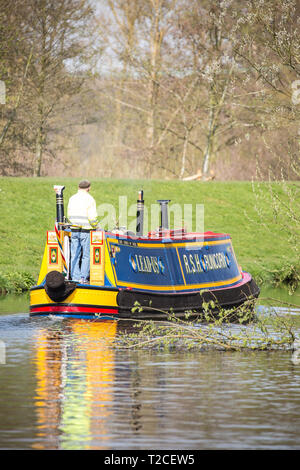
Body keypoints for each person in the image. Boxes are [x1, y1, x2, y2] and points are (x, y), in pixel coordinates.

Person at [67, 180, 98, 283]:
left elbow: (69, 214)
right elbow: (92, 217)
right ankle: (83, 278)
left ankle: (75, 277)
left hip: (74, 229)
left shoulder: (72, 198)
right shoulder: (90, 199)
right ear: (89, 188)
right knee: (86, 255)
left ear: (78, 187)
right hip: (86, 230)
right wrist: (96, 226)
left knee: (74, 253)